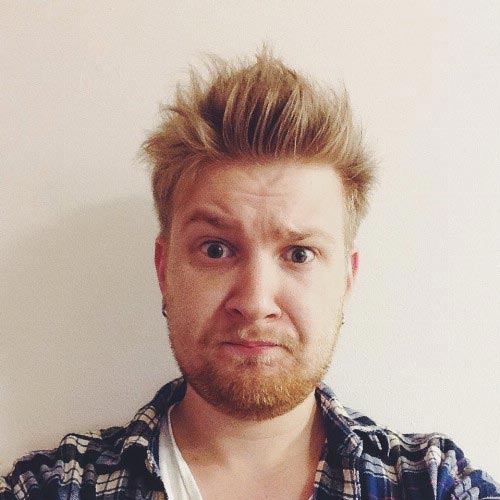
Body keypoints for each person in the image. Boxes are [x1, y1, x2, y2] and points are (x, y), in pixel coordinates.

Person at [1, 48, 498, 500]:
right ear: (164, 268)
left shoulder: (432, 484)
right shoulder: (53, 489)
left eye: (299, 254)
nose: (256, 302)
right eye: (216, 249)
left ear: (347, 279)